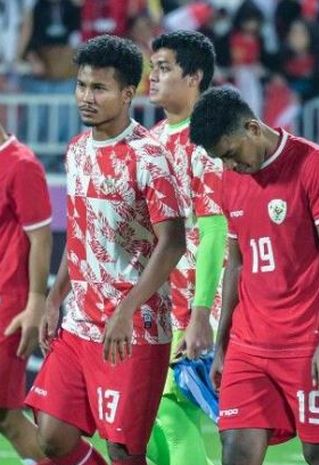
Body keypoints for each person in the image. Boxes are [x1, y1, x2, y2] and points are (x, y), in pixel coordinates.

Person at [25, 35, 186, 465]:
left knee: (123, 452)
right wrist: (55, 298)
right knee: (52, 437)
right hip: (80, 321)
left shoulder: (149, 156)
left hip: (134, 328)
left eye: (99, 88)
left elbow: (172, 243)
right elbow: (81, 236)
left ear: (128, 93)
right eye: (81, 86)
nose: (86, 97)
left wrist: (126, 310)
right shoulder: (76, 152)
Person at [190, 86, 319, 465]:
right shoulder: (231, 178)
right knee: (236, 452)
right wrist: (223, 344)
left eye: (231, 154)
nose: (230, 166)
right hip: (249, 345)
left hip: (308, 342)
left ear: (252, 127)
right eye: (221, 160)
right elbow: (237, 264)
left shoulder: (315, 165)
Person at [146, 30, 227, 465]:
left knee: (170, 413)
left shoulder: (207, 138)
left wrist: (201, 314)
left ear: (194, 76)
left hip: (197, 300)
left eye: (164, 68)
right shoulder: (152, 140)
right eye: (152, 67)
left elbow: (215, 230)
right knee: (149, 430)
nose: (152, 77)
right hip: (159, 301)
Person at [0, 124, 52, 465]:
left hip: (7, 307)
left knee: (8, 417)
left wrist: (35, 303)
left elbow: (42, 239)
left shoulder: (21, 164)